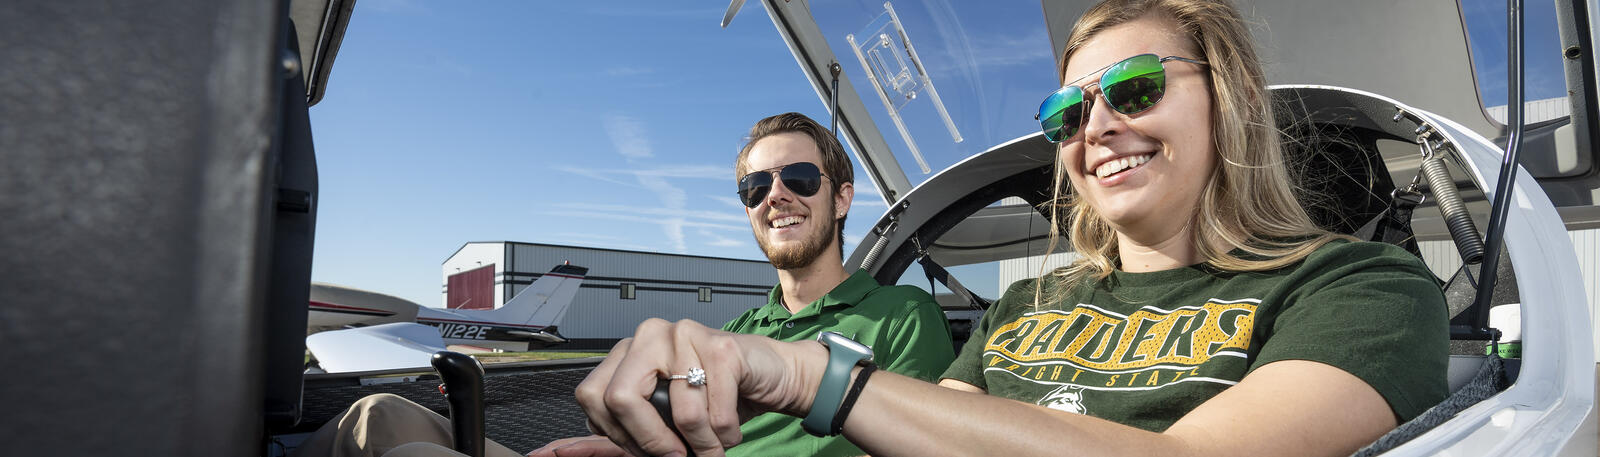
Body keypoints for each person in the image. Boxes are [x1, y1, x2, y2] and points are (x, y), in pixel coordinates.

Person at [573, 1, 1450, 457]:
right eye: (1068, 111)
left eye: (1138, 87)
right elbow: (925, 435)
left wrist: (810, 373)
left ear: (1230, 100)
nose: (1098, 126)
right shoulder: (1025, 307)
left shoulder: (1360, 287)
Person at [288, 112, 956, 457]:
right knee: (378, 413)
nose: (774, 196)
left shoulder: (900, 314)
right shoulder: (741, 333)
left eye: (799, 179)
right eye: (755, 186)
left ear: (841, 198)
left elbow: (918, 440)